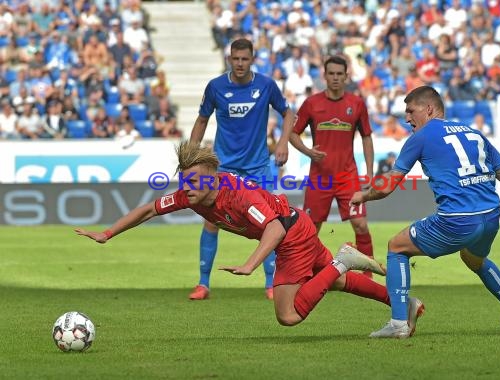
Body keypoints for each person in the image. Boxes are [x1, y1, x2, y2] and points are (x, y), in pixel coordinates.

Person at [74, 142, 425, 332]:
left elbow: (272, 228)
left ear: (213, 177)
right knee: (333, 284)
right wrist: (108, 233)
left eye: (194, 180)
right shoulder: (190, 194)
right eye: (185, 181)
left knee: (287, 316)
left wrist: (251, 264)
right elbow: (149, 208)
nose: (187, 187)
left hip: (291, 235)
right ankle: (404, 305)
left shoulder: (237, 196)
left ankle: (343, 259)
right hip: (296, 224)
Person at [350, 86, 500, 339]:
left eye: (410, 111)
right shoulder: (473, 133)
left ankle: (398, 323)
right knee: (475, 260)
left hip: (456, 220)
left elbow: (390, 183)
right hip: (491, 216)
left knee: (396, 246)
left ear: (428, 109)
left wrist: (363, 195)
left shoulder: (421, 137)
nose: (407, 118)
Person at [188, 38, 295, 301]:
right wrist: (191, 155)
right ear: (229, 59)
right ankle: (203, 284)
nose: (239, 63)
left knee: (268, 223)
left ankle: (271, 284)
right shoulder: (215, 87)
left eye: (244, 59)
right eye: (235, 58)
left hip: (258, 166)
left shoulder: (266, 85)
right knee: (212, 222)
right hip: (224, 168)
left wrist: (282, 143)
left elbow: (289, 113)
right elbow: (202, 119)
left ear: (252, 59)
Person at [289, 55, 376, 278]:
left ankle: (368, 275)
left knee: (361, 225)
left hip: (348, 176)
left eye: (340, 74)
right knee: (310, 229)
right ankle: (305, 272)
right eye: (332, 74)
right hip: (320, 177)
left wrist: (369, 170)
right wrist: (308, 152)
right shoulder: (312, 103)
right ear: (325, 76)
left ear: (346, 76)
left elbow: (367, 137)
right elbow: (292, 133)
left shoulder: (356, 104)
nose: (336, 78)